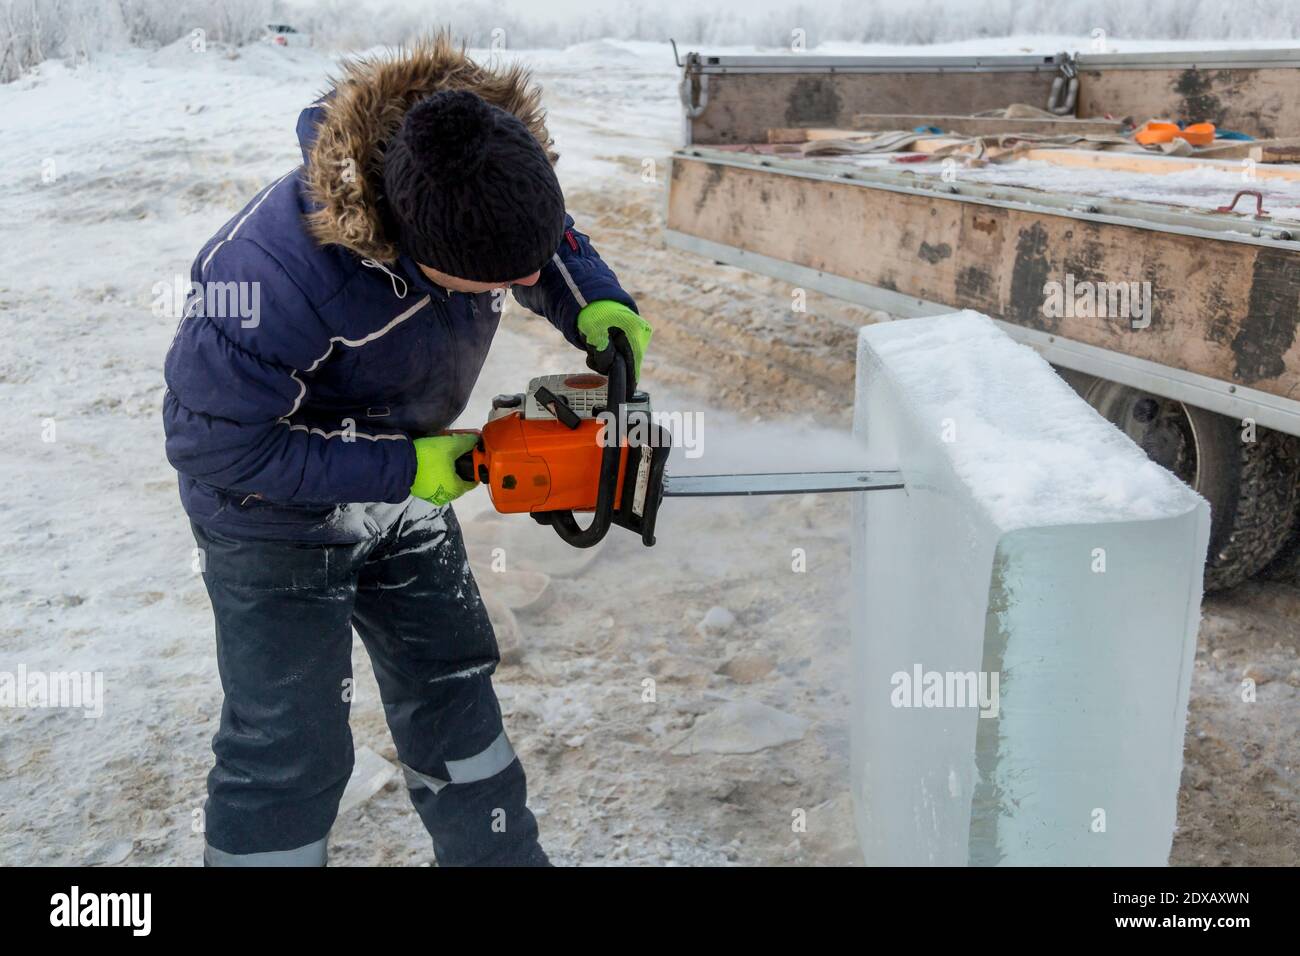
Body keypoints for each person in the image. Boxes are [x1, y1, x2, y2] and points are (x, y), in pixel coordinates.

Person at [162, 36, 652, 867]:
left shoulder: (482, 166)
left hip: (405, 491)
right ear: (414, 250)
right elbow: (215, 446)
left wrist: (591, 301)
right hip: (269, 519)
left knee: (455, 688)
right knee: (290, 748)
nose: (507, 292)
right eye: (486, 284)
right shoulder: (265, 278)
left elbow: (540, 241)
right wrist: (403, 467)